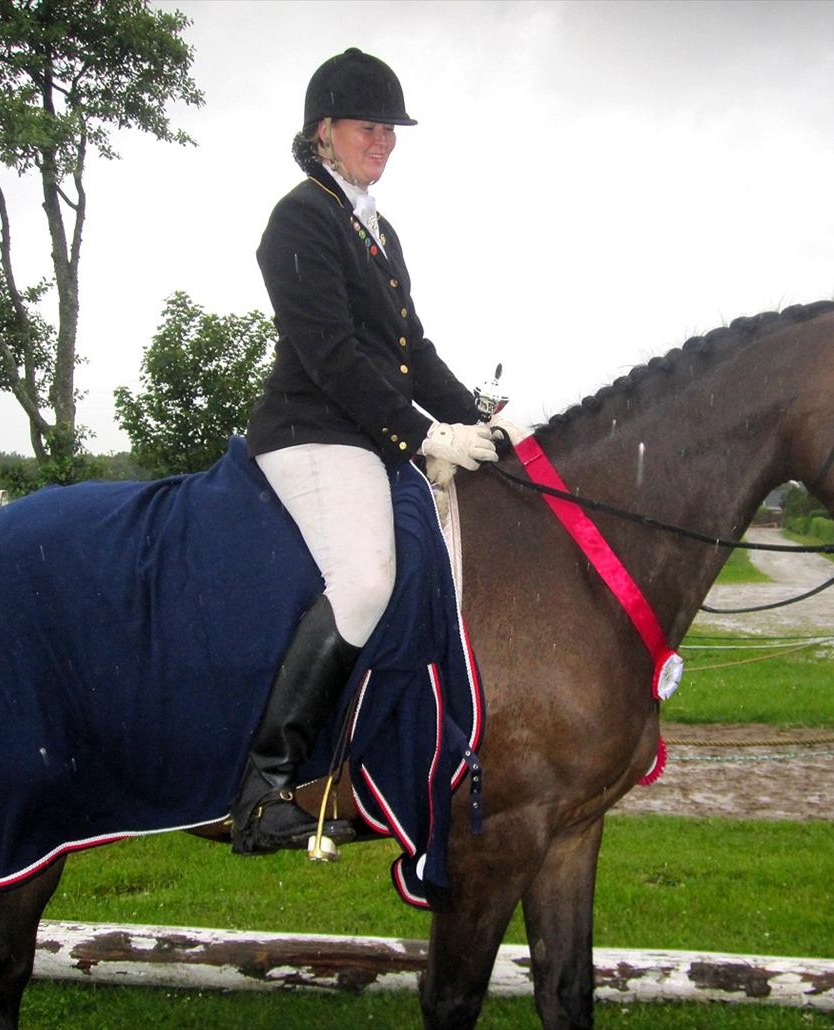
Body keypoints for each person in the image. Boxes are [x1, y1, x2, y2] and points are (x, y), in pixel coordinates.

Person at [231, 47, 497, 855]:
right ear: (325, 133)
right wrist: (423, 434)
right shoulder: (300, 218)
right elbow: (333, 357)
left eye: (391, 128)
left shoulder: (375, 228)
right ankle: (267, 785)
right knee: (367, 576)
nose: (383, 141)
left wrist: (481, 422)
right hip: (311, 431)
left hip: (366, 435)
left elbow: (412, 349)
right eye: (368, 126)